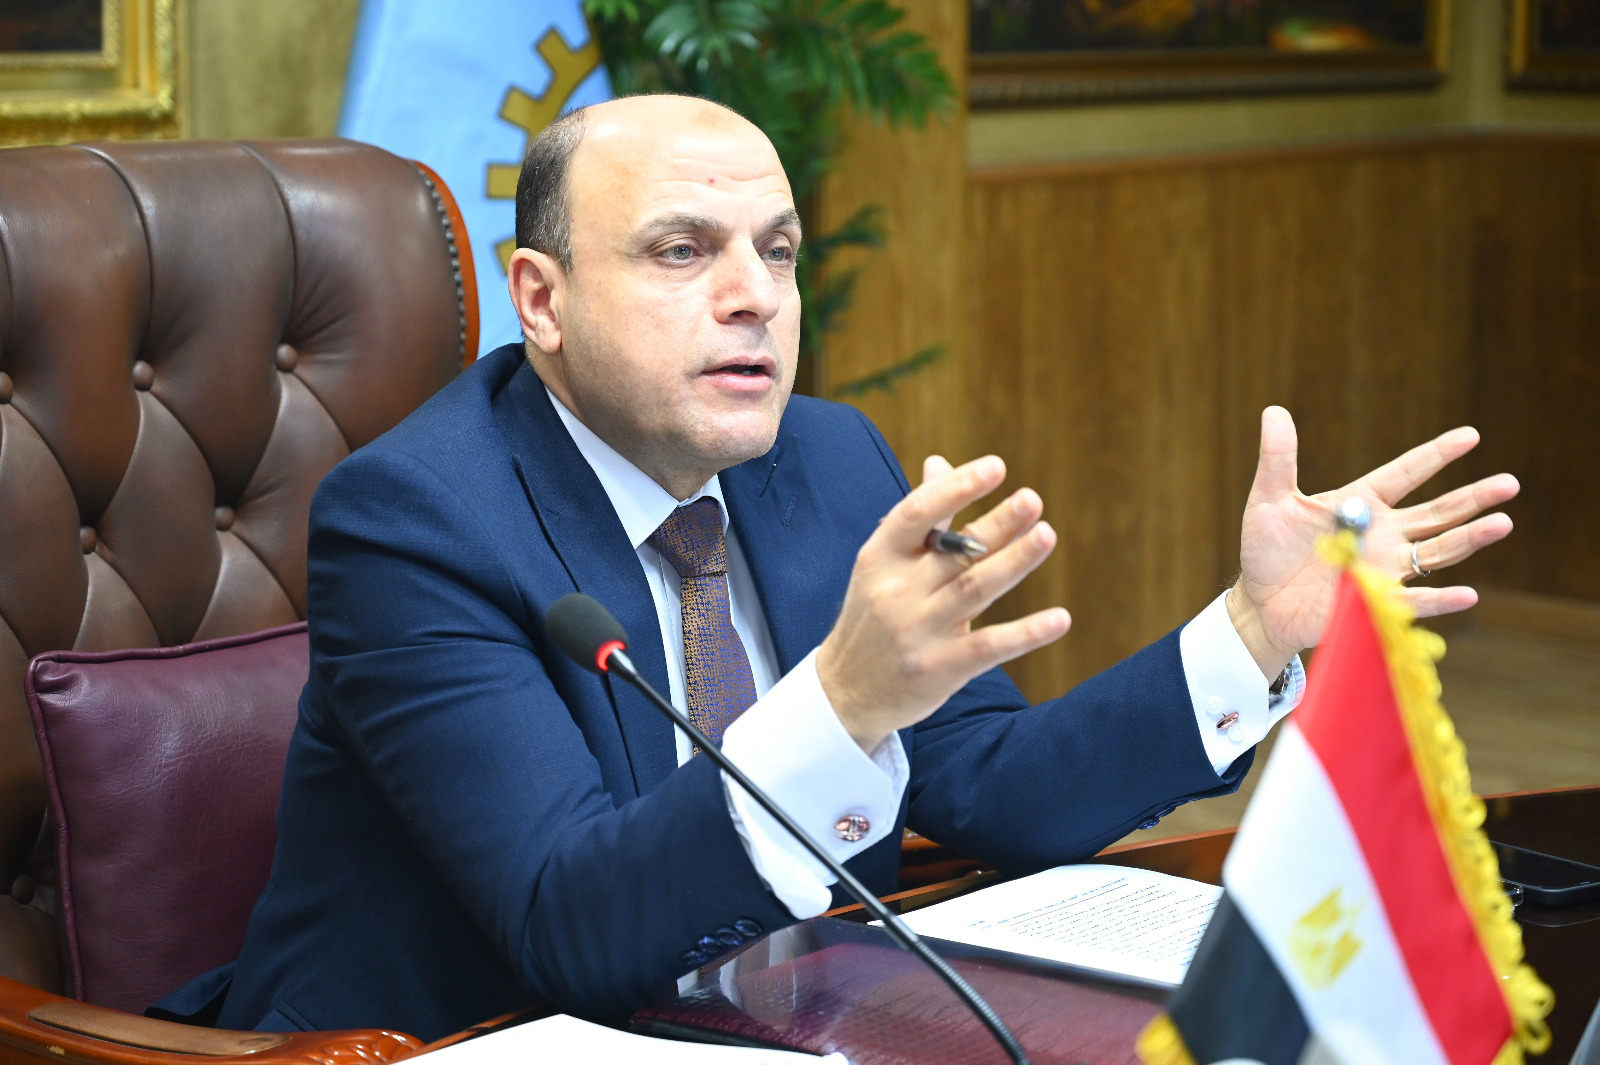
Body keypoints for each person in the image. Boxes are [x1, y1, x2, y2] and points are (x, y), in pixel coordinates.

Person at [157, 95, 1518, 1041]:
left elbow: (992, 786)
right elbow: (566, 924)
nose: (754, 294)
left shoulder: (824, 457)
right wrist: (844, 702)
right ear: (542, 300)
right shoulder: (414, 519)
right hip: (451, 1038)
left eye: (778, 252)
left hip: (776, 1020)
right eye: (683, 252)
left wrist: (1253, 630)